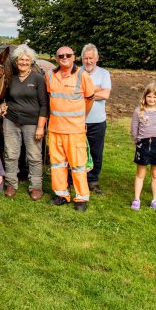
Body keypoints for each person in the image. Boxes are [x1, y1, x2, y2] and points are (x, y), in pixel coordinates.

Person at [46, 46, 95, 212]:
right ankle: (61, 195)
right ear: (56, 58)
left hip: (75, 130)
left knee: (78, 165)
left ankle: (81, 198)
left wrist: (81, 119)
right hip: (55, 129)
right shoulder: (50, 75)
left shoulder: (83, 75)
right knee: (57, 164)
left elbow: (89, 99)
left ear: (74, 57)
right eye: (61, 55)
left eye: (68, 55)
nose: (64, 57)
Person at [0, 44, 48, 201]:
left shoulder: (38, 79)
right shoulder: (10, 78)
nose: (24, 62)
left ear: (31, 61)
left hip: (32, 122)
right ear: (16, 61)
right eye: (21, 59)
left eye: (27, 60)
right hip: (11, 120)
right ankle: (11, 183)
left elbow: (44, 104)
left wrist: (40, 126)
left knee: (34, 155)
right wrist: (2, 105)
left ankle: (35, 186)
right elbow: (5, 98)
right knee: (11, 154)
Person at [130, 83, 156, 212]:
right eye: (149, 96)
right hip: (143, 145)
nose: (152, 100)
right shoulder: (139, 111)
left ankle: (155, 200)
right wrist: (138, 141)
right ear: (145, 97)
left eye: (155, 97)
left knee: (155, 173)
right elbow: (134, 129)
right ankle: (136, 199)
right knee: (140, 173)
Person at [81, 43, 111, 195]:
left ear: (97, 58)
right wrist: (96, 90)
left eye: (91, 58)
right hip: (78, 120)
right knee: (76, 151)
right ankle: (75, 179)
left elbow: (106, 95)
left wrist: (86, 93)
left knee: (96, 151)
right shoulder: (76, 72)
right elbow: (73, 94)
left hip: (97, 121)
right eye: (85, 58)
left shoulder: (104, 74)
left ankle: (93, 180)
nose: (88, 61)